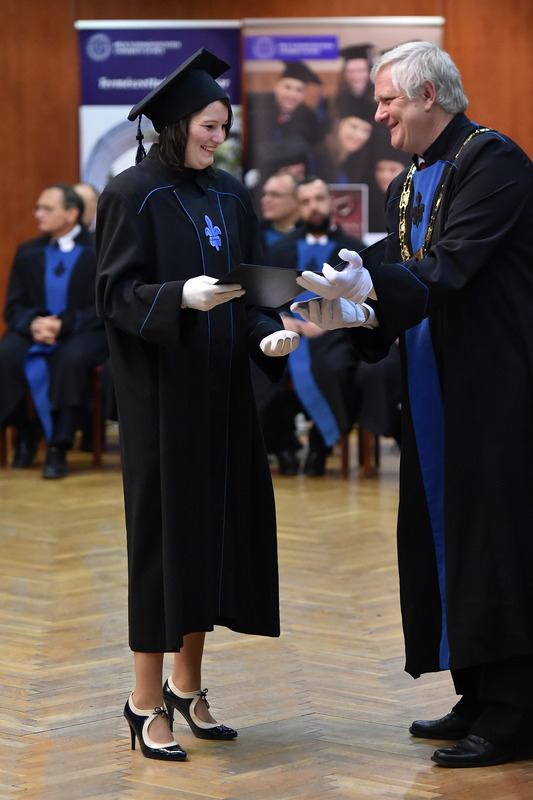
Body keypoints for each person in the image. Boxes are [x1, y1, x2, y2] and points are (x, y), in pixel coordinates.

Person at [292, 40, 533, 768]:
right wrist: (343, 302)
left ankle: (516, 712)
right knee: (443, 536)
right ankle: (475, 693)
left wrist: (373, 290)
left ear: (429, 95)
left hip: (491, 385)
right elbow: (391, 265)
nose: (378, 113)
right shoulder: (407, 182)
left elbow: (451, 265)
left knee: (494, 540)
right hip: (430, 386)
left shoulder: (493, 161)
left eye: (387, 99)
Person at [95, 48, 300, 763]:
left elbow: (250, 287)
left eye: (224, 127)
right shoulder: (131, 194)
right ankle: (143, 700)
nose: (219, 138)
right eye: (210, 126)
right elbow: (113, 295)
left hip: (224, 395)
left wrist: (267, 331)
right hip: (162, 400)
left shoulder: (230, 196)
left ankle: (187, 685)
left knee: (210, 539)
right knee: (164, 544)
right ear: (177, 123)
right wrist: (176, 297)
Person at [255, 176, 363, 476]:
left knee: (336, 368)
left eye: (319, 199)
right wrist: (282, 318)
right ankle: (281, 445)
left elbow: (368, 300)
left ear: (331, 202)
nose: (313, 207)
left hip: (335, 334)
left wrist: (331, 324)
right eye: (305, 201)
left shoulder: (355, 251)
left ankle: (320, 445)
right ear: (297, 207)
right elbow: (263, 297)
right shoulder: (278, 251)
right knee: (262, 370)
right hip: (288, 332)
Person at [0, 183, 109, 478]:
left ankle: (59, 446)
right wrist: (34, 323)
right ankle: (26, 431)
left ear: (71, 214)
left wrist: (64, 324)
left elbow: (105, 304)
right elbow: (13, 306)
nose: (38, 214)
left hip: (84, 330)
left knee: (70, 359)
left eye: (46, 208)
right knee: (6, 354)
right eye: (38, 208)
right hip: (36, 330)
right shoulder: (28, 251)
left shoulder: (100, 249)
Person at [245, 61, 327, 183]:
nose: (292, 95)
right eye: (287, 87)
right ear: (276, 86)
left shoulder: (310, 119)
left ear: (304, 94)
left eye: (299, 90)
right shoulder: (255, 107)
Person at [258, 171, 301, 251]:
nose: (266, 200)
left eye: (275, 194)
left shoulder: (313, 235)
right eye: (264, 194)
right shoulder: (253, 234)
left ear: (296, 199)